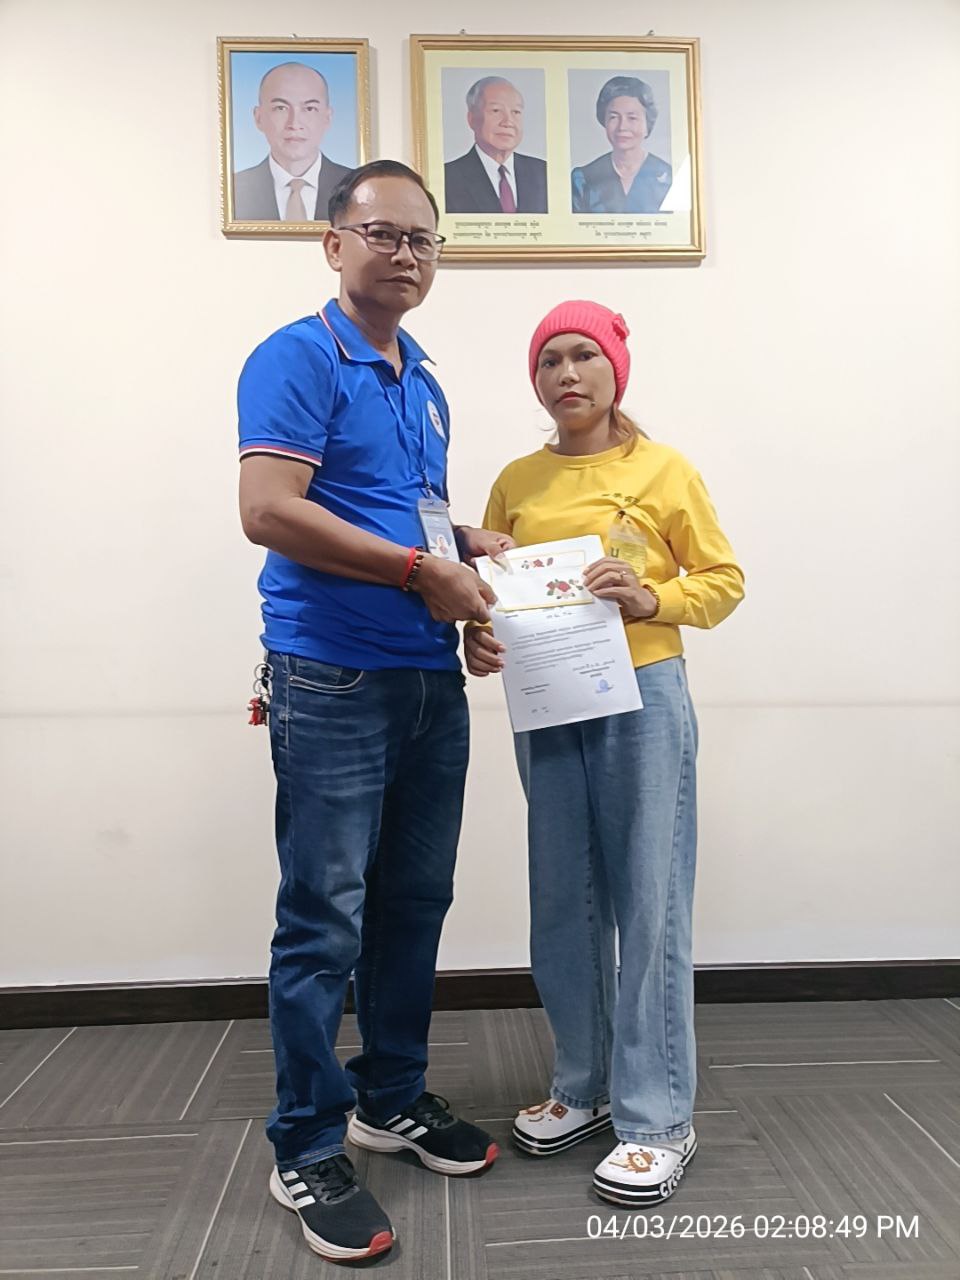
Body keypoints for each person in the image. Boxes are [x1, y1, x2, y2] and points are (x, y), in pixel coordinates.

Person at [237, 159, 512, 1263]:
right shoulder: (298, 355)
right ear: (333, 244)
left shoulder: (423, 377)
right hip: (331, 675)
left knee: (415, 901)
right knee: (324, 919)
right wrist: (415, 570)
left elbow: (412, 512)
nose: (405, 254)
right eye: (383, 233)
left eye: (423, 239)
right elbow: (269, 509)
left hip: (427, 675)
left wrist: (464, 554)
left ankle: (388, 1096)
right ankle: (305, 1143)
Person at [465, 301, 744, 1208]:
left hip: (643, 696)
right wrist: (477, 634)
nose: (567, 373)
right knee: (563, 898)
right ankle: (582, 1086)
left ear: (616, 369)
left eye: (585, 355)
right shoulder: (516, 479)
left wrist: (652, 597)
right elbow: (486, 592)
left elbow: (723, 580)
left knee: (647, 900)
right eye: (550, 359)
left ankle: (658, 1118)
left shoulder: (664, 469)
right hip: (548, 701)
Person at [233, 62, 353, 221]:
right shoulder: (233, 188)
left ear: (327, 117)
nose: (295, 124)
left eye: (309, 109)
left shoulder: (355, 185)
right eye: (281, 108)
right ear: (258, 117)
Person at [444, 76, 548, 214]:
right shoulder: (448, 177)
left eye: (516, 112)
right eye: (496, 110)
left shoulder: (543, 172)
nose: (508, 122)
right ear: (472, 119)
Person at [571, 76, 672, 214]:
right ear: (604, 121)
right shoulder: (583, 179)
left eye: (632, 118)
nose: (622, 127)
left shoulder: (669, 176)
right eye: (613, 117)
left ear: (647, 123)